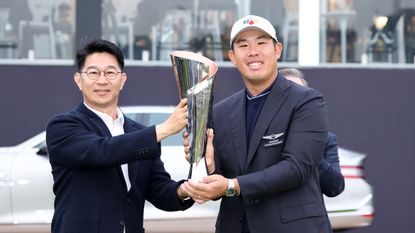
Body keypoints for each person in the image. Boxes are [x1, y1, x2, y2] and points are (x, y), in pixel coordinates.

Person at [181, 15, 332, 233]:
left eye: (261, 43)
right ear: (232, 56)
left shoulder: (306, 101)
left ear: (277, 50)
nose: (253, 51)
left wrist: (232, 186)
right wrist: (209, 165)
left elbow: (297, 168)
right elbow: (221, 176)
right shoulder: (221, 111)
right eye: (243, 45)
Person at [46, 39, 194, 233]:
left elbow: (158, 189)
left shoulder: (138, 133)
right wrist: (166, 128)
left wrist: (184, 191)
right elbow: (102, 151)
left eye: (110, 72)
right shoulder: (63, 126)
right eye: (93, 72)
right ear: (78, 80)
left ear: (122, 80)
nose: (102, 80)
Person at [279, 68, 345, 197]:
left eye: (299, 92)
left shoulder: (325, 139)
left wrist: (310, 150)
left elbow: (335, 188)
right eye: (288, 91)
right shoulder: (261, 136)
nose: (294, 98)